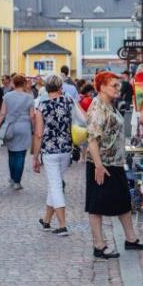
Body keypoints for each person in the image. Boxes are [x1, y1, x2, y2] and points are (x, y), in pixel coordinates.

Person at [85, 72, 143, 258]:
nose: (118, 88)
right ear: (102, 87)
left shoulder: (110, 106)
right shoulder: (98, 108)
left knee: (123, 202)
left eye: (117, 85)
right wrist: (99, 166)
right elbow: (91, 139)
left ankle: (131, 239)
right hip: (102, 164)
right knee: (96, 205)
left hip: (115, 162)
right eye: (113, 85)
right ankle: (99, 246)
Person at [32, 75, 83, 235]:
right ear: (60, 86)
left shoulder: (42, 105)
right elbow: (82, 118)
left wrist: (35, 156)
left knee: (55, 186)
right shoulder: (68, 101)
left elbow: (39, 133)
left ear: (46, 88)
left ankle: (62, 225)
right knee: (55, 184)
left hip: (50, 151)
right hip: (66, 149)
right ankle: (46, 220)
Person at [0, 74, 34, 190]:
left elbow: (2, 113)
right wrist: (34, 128)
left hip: (10, 126)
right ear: (23, 84)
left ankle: (12, 178)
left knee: (11, 153)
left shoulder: (7, 96)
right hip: (24, 126)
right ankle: (17, 181)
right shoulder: (29, 97)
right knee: (21, 154)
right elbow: (32, 116)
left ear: (13, 83)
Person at [117, 72, 135, 141]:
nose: (122, 76)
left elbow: (121, 92)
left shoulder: (125, 83)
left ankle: (125, 129)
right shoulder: (127, 83)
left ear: (126, 76)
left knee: (126, 115)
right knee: (127, 114)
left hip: (127, 101)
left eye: (123, 75)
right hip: (129, 100)